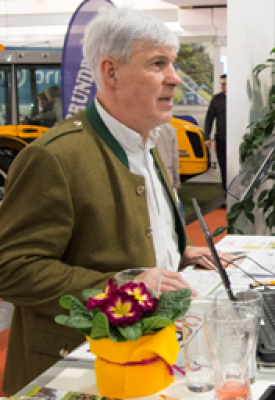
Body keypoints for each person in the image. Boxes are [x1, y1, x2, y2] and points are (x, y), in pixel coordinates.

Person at [0, 8, 225, 395]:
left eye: (171, 63)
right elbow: (11, 267)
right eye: (158, 63)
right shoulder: (56, 157)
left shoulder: (146, 142)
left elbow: (123, 229)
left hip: (144, 358)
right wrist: (126, 289)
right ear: (111, 72)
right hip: (77, 368)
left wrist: (179, 252)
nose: (174, 78)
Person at [204, 74, 227, 195]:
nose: (224, 87)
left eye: (226, 84)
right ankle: (226, 193)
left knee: (233, 167)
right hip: (221, 139)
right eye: (222, 84)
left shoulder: (237, 99)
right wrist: (206, 137)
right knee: (223, 167)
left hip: (235, 139)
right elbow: (209, 119)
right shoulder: (216, 99)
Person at [155, 122, 181, 192]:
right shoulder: (169, 128)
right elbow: (175, 158)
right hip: (167, 176)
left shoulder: (140, 126)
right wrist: (176, 183)